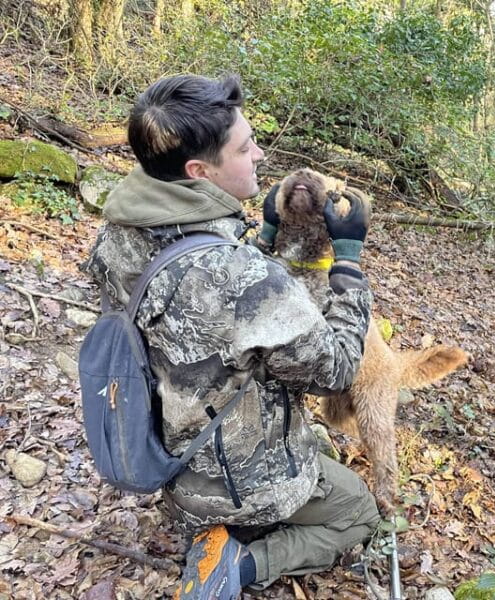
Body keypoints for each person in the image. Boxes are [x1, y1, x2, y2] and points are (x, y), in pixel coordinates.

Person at [83, 74, 381, 599]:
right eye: (245, 148)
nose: (260, 154)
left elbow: (207, 310)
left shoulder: (116, 231)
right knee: (358, 512)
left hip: (155, 452)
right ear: (199, 171)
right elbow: (336, 370)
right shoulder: (242, 277)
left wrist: (260, 236)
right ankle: (239, 562)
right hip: (229, 481)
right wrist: (350, 264)